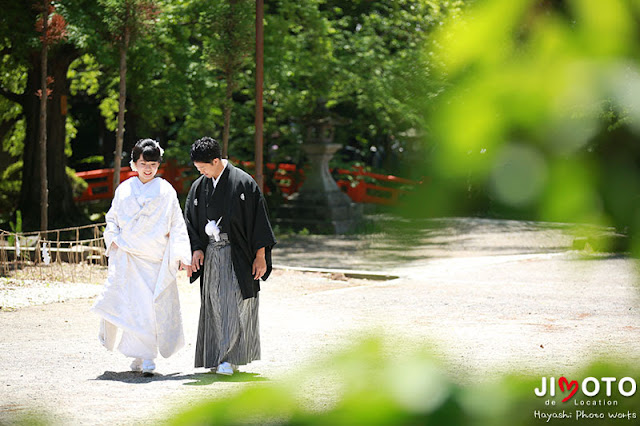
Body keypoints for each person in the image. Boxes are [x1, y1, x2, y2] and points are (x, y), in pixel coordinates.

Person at [92, 139, 192, 376]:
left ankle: (147, 356)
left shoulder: (166, 191)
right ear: (134, 164)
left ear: (159, 165)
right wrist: (114, 240)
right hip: (128, 255)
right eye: (143, 163)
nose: (148, 169)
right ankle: (139, 354)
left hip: (154, 258)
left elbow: (177, 224)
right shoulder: (124, 189)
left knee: (149, 308)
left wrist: (182, 255)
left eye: (153, 164)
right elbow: (112, 219)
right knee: (131, 306)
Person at [184, 136, 276, 375]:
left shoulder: (243, 183)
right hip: (212, 253)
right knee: (214, 302)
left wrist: (260, 256)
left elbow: (259, 222)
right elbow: (190, 221)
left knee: (235, 302)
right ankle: (215, 356)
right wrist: (196, 249)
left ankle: (231, 358)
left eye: (203, 167)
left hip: (238, 254)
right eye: (198, 168)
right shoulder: (199, 186)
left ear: (216, 160)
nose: (200, 171)